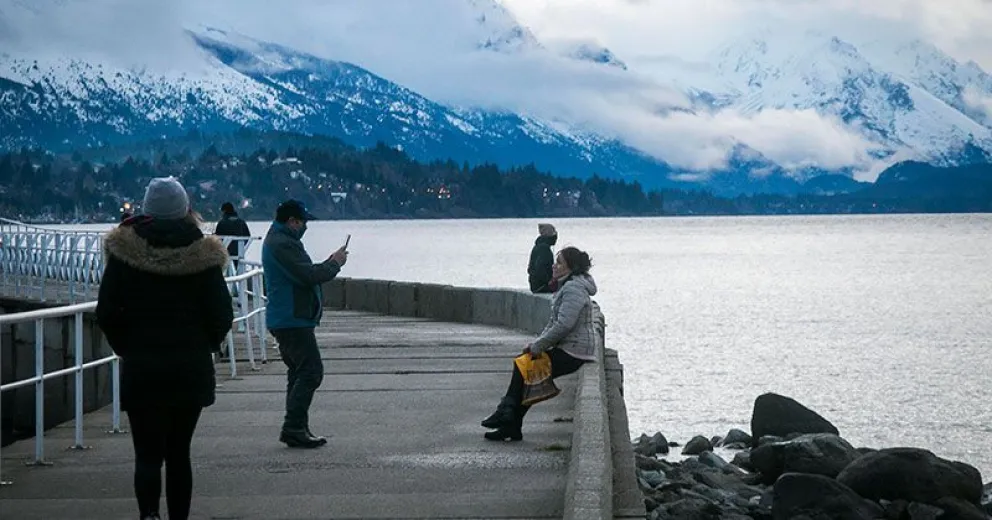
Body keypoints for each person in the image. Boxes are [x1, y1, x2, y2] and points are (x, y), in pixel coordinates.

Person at [96, 177, 233, 520]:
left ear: (146, 209)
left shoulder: (124, 255)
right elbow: (222, 314)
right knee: (179, 453)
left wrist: (126, 346)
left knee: (146, 455)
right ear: (185, 209)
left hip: (142, 367)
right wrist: (205, 344)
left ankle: (149, 515)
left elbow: (107, 312)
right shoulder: (204, 256)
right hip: (190, 368)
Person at [483, 246, 600, 441]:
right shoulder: (568, 286)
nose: (554, 266)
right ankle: (510, 421)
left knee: (524, 366)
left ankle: (506, 413)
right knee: (526, 368)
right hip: (572, 348)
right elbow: (553, 323)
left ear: (570, 268)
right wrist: (536, 344)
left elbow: (564, 325)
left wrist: (538, 347)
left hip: (576, 352)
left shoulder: (573, 288)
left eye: (559, 263)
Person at [262, 199, 348, 449]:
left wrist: (329, 261)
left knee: (298, 372)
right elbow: (309, 275)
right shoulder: (283, 244)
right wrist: (335, 263)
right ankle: (293, 427)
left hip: (287, 317)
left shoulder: (279, 240)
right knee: (311, 371)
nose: (306, 227)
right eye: (303, 222)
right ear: (292, 221)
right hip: (291, 318)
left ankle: (297, 427)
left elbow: (304, 272)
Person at [214, 202, 252, 270]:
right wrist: (240, 247)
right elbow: (247, 236)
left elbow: (217, 238)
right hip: (238, 251)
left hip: (225, 252)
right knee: (238, 268)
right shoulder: (241, 222)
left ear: (224, 211)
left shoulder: (222, 223)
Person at [528, 223, 557, 293]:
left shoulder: (538, 246)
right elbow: (540, 268)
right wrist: (548, 281)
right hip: (541, 286)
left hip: (535, 286)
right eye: (554, 234)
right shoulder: (544, 248)